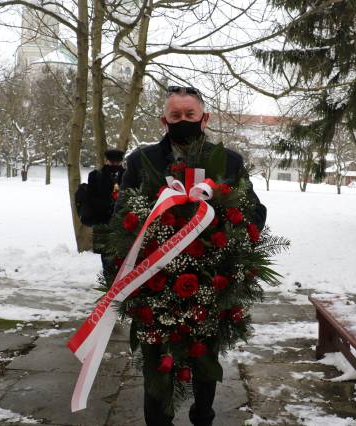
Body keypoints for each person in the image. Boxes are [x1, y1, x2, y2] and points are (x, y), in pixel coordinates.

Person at [118, 86, 266, 426]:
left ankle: (203, 416)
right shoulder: (141, 161)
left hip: (211, 288)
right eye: (175, 116)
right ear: (164, 120)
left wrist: (232, 239)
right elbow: (121, 216)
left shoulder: (229, 161)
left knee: (204, 363)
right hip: (153, 289)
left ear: (205, 118)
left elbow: (254, 211)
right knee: (157, 370)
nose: (182, 121)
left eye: (189, 115)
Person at [89, 148, 125, 274]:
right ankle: (110, 287)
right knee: (107, 260)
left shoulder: (128, 175)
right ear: (106, 161)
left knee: (123, 258)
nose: (115, 165)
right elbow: (92, 198)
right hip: (103, 221)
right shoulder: (95, 175)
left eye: (117, 163)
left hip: (123, 223)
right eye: (112, 162)